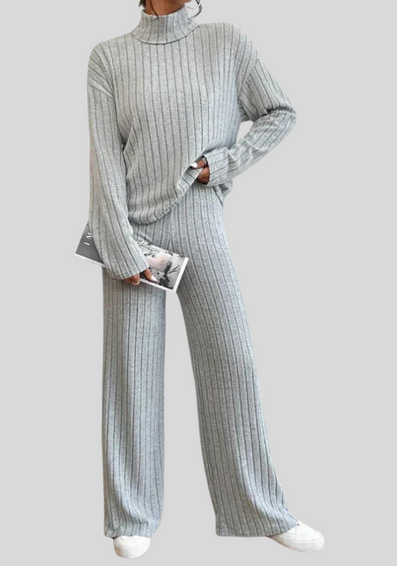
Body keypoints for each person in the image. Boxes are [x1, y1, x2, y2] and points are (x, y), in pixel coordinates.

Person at [86, 0, 324, 558]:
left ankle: (258, 509)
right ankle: (131, 513)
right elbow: (103, 161)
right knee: (131, 372)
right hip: (134, 234)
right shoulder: (108, 57)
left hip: (201, 222)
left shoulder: (227, 42)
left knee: (231, 364)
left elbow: (279, 111)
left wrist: (227, 163)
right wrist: (120, 247)